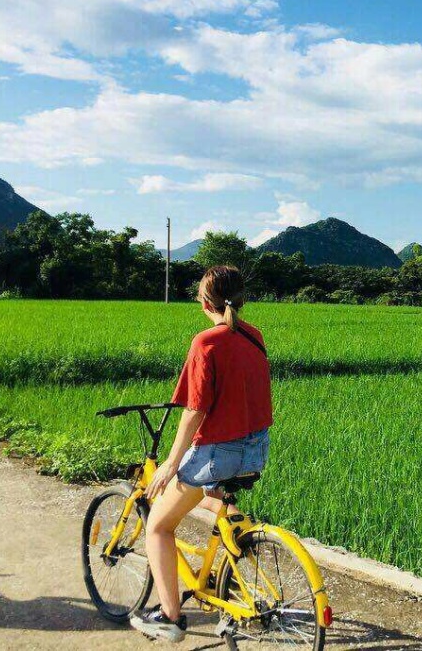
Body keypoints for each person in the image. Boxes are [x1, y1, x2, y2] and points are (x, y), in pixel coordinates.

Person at [130, 265, 272, 642]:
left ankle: (170, 617)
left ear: (203, 301)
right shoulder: (254, 336)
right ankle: (238, 542)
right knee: (210, 497)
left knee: (159, 526)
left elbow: (195, 410)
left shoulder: (206, 341)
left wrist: (171, 464)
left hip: (219, 453)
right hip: (256, 450)